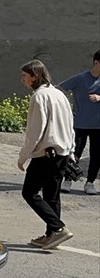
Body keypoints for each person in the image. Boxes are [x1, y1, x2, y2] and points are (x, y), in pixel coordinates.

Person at [18, 60, 76, 249]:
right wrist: (72, 149)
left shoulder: (39, 96)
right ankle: (52, 235)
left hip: (46, 153)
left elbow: (35, 131)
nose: (23, 80)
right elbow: (70, 124)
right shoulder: (59, 94)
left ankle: (58, 228)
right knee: (52, 195)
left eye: (25, 76)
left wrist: (23, 156)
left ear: (34, 76)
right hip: (63, 152)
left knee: (29, 192)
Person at [58, 50, 100, 195]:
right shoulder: (81, 78)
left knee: (97, 155)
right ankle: (68, 180)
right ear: (96, 63)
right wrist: (64, 108)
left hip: (98, 126)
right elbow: (58, 89)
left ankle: (90, 183)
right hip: (80, 123)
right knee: (74, 153)